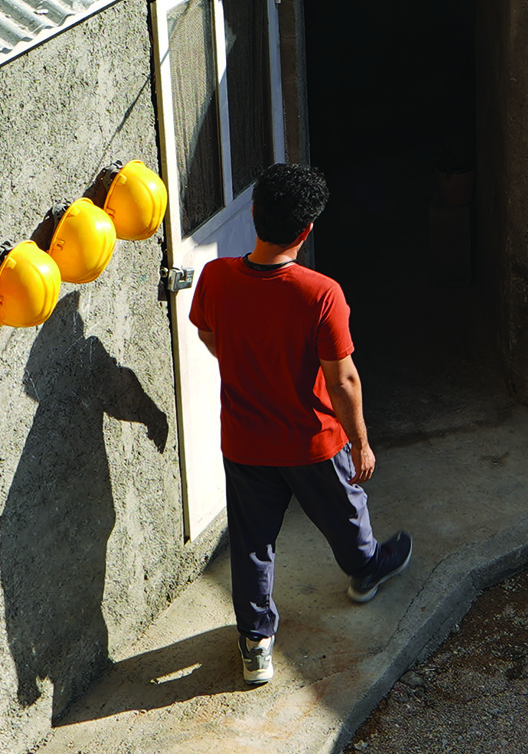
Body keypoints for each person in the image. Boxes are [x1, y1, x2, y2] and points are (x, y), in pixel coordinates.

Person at [187, 163, 412, 687]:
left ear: (253, 214)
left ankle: (255, 643)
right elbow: (345, 381)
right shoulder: (320, 293)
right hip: (312, 441)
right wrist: (360, 442)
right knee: (343, 510)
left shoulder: (217, 277)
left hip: (244, 440)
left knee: (251, 541)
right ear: (306, 230)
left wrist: (244, 363)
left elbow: (207, 333)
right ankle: (364, 571)